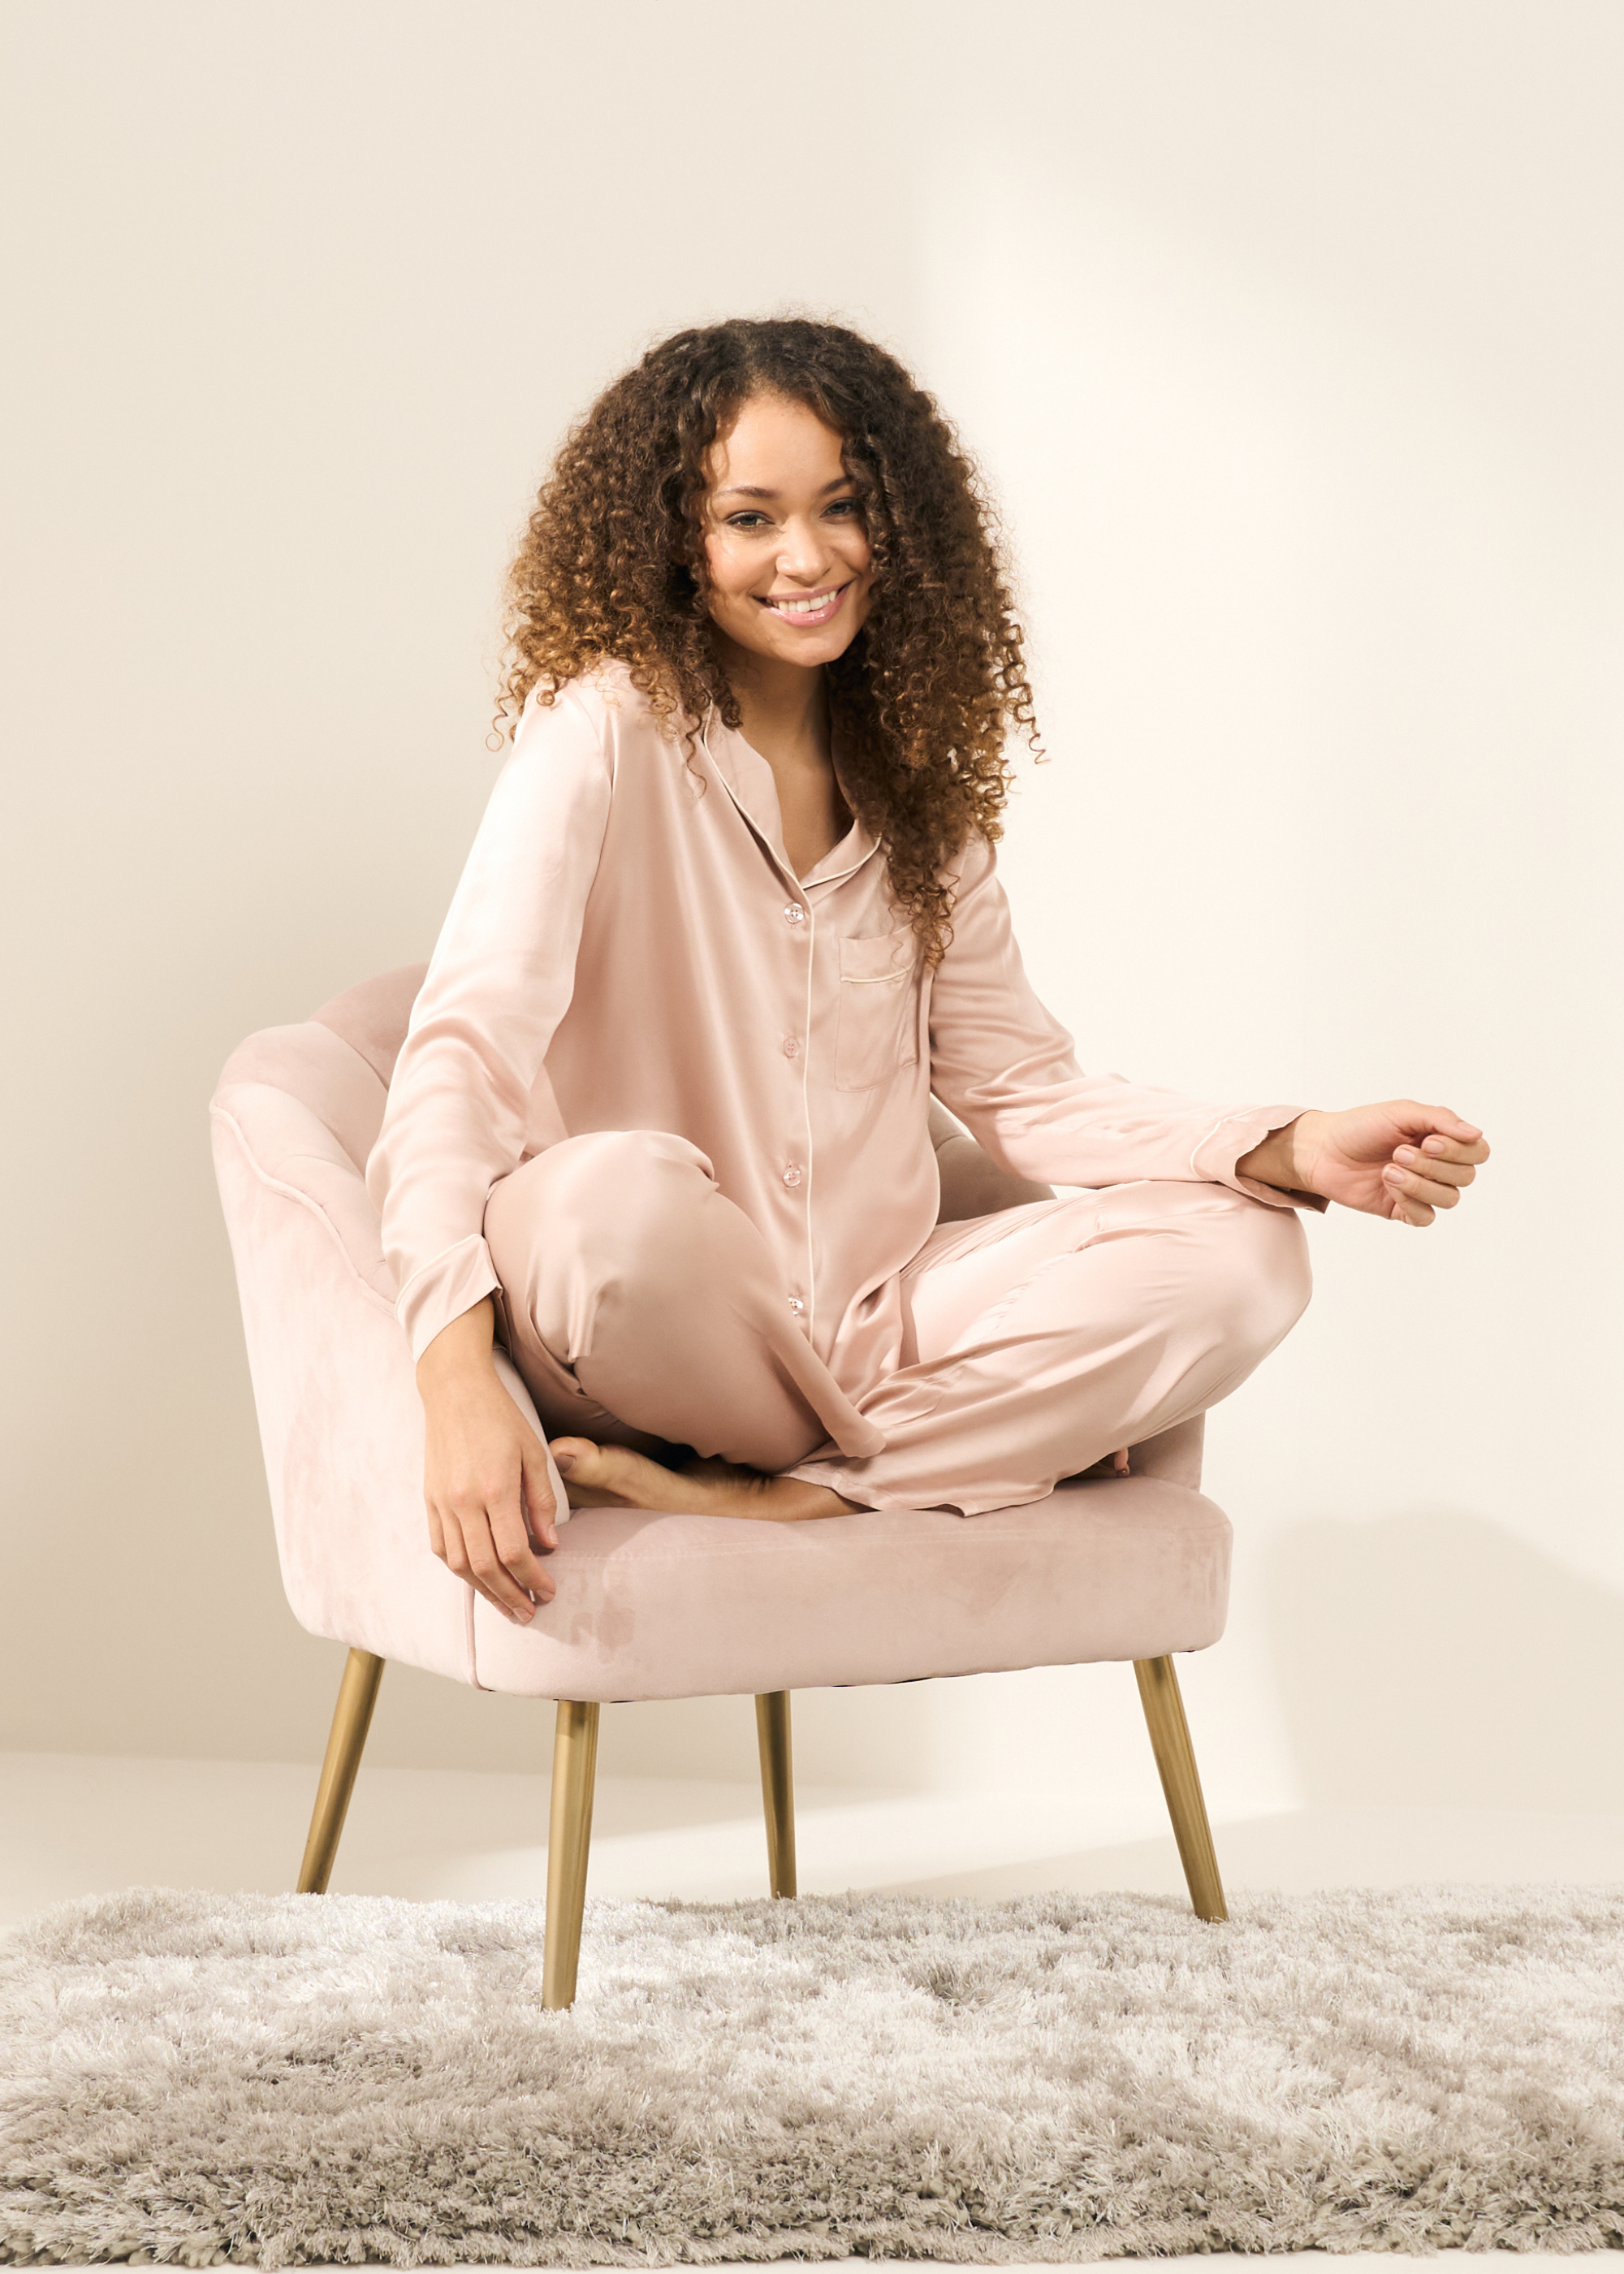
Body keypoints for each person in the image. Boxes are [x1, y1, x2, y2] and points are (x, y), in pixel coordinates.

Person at [365, 317, 1488, 1630]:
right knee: (612, 1195)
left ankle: (815, 1490)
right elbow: (463, 1056)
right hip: (640, 1314)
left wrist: (1291, 1145)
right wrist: (451, 1380)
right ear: (678, 540)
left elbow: (1023, 1089)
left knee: (1249, 1255)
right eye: (750, 517)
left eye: (844, 509)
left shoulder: (919, 807)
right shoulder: (601, 736)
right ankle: (921, 1456)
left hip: (863, 1327)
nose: (807, 558)